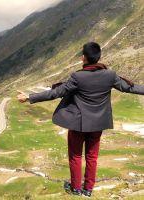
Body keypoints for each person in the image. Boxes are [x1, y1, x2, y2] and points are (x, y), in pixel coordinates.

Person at [17, 42, 144, 197]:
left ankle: (76, 188)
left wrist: (29, 97)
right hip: (98, 124)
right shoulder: (110, 75)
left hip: (78, 124)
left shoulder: (78, 77)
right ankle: (88, 189)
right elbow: (128, 87)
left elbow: (56, 92)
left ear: (83, 57)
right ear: (98, 57)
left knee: (75, 156)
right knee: (92, 157)